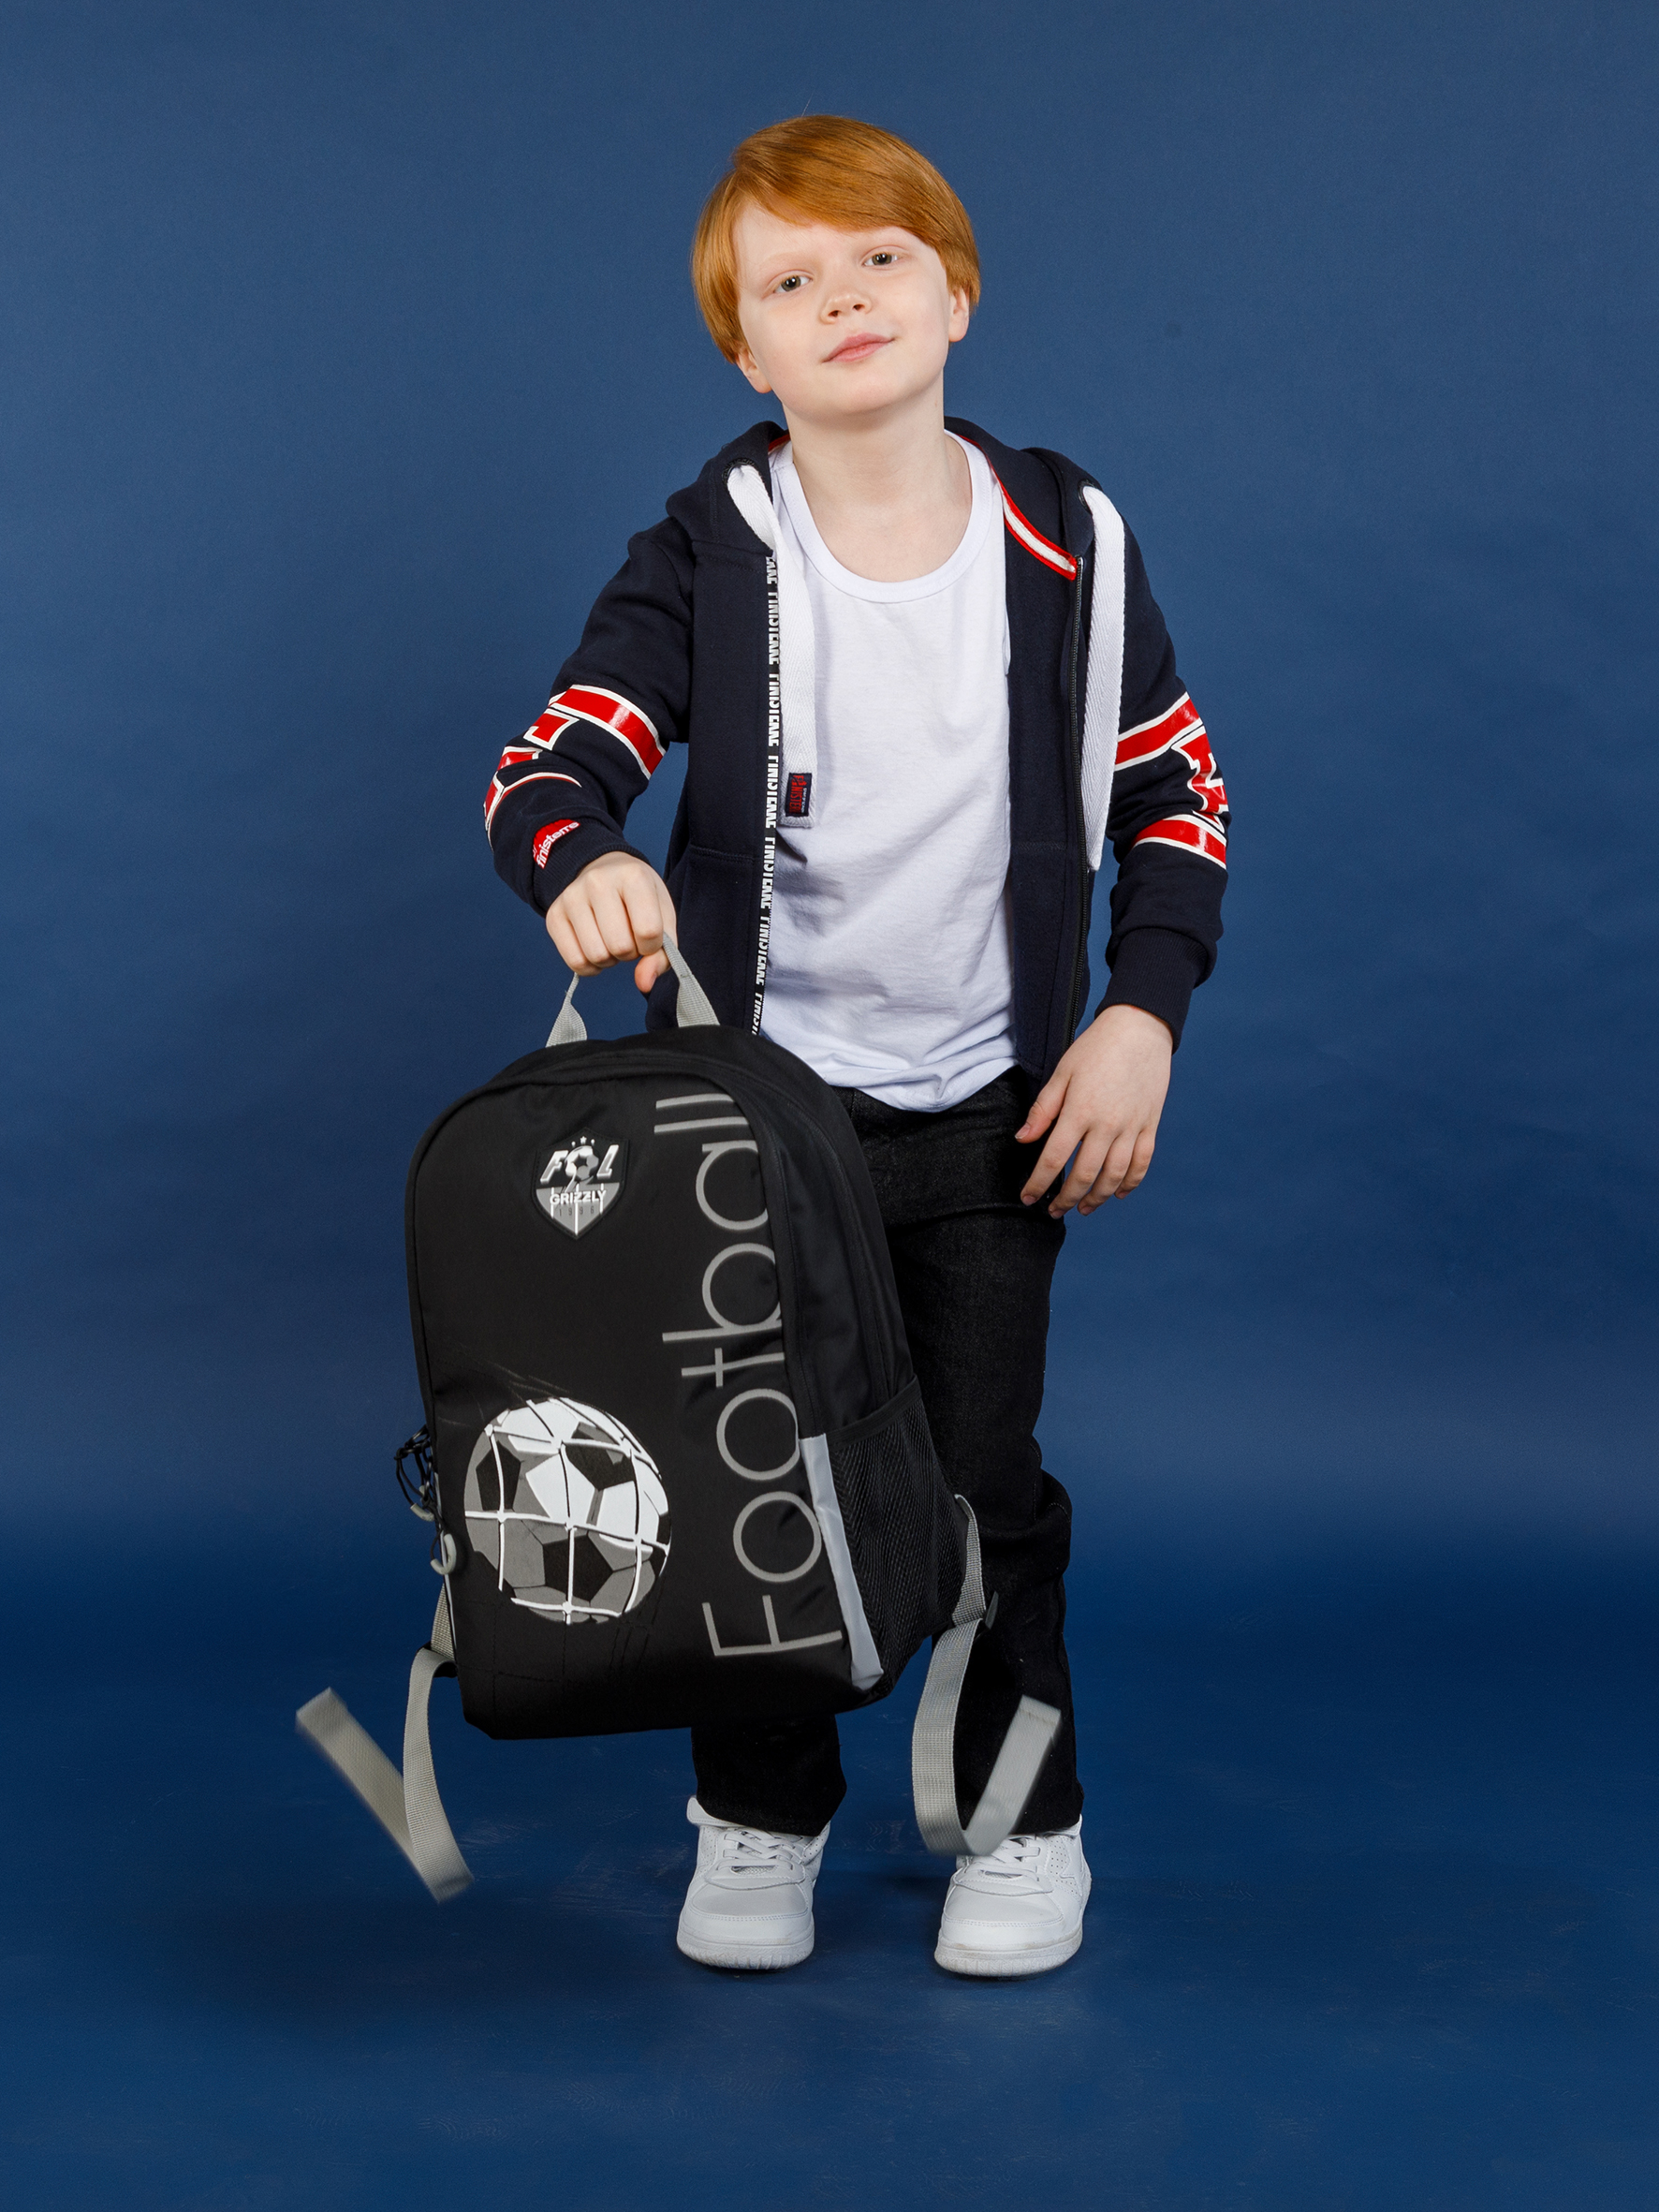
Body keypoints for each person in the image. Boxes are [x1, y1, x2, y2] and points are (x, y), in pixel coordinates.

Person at [483, 116, 1228, 1979]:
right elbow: (547, 765)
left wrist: (1140, 1010)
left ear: (955, 294)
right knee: (752, 1474)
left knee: (982, 1488)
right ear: (747, 350)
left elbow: (1179, 803)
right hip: (753, 1125)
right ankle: (761, 1811)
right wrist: (579, 859)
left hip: (989, 1116)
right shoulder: (704, 552)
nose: (843, 295)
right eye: (791, 278)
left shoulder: (1075, 544)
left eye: (880, 257)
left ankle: (1021, 1821)